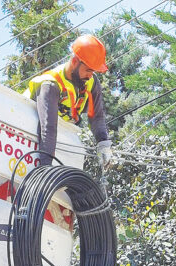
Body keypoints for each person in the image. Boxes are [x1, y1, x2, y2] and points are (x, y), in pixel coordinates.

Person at [24, 34, 114, 168]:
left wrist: (103, 144)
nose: (90, 76)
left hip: (56, 139)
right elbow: (48, 128)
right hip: (25, 132)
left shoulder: (90, 82)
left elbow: (96, 116)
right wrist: (45, 169)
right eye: (88, 70)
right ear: (74, 62)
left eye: (93, 71)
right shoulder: (51, 84)